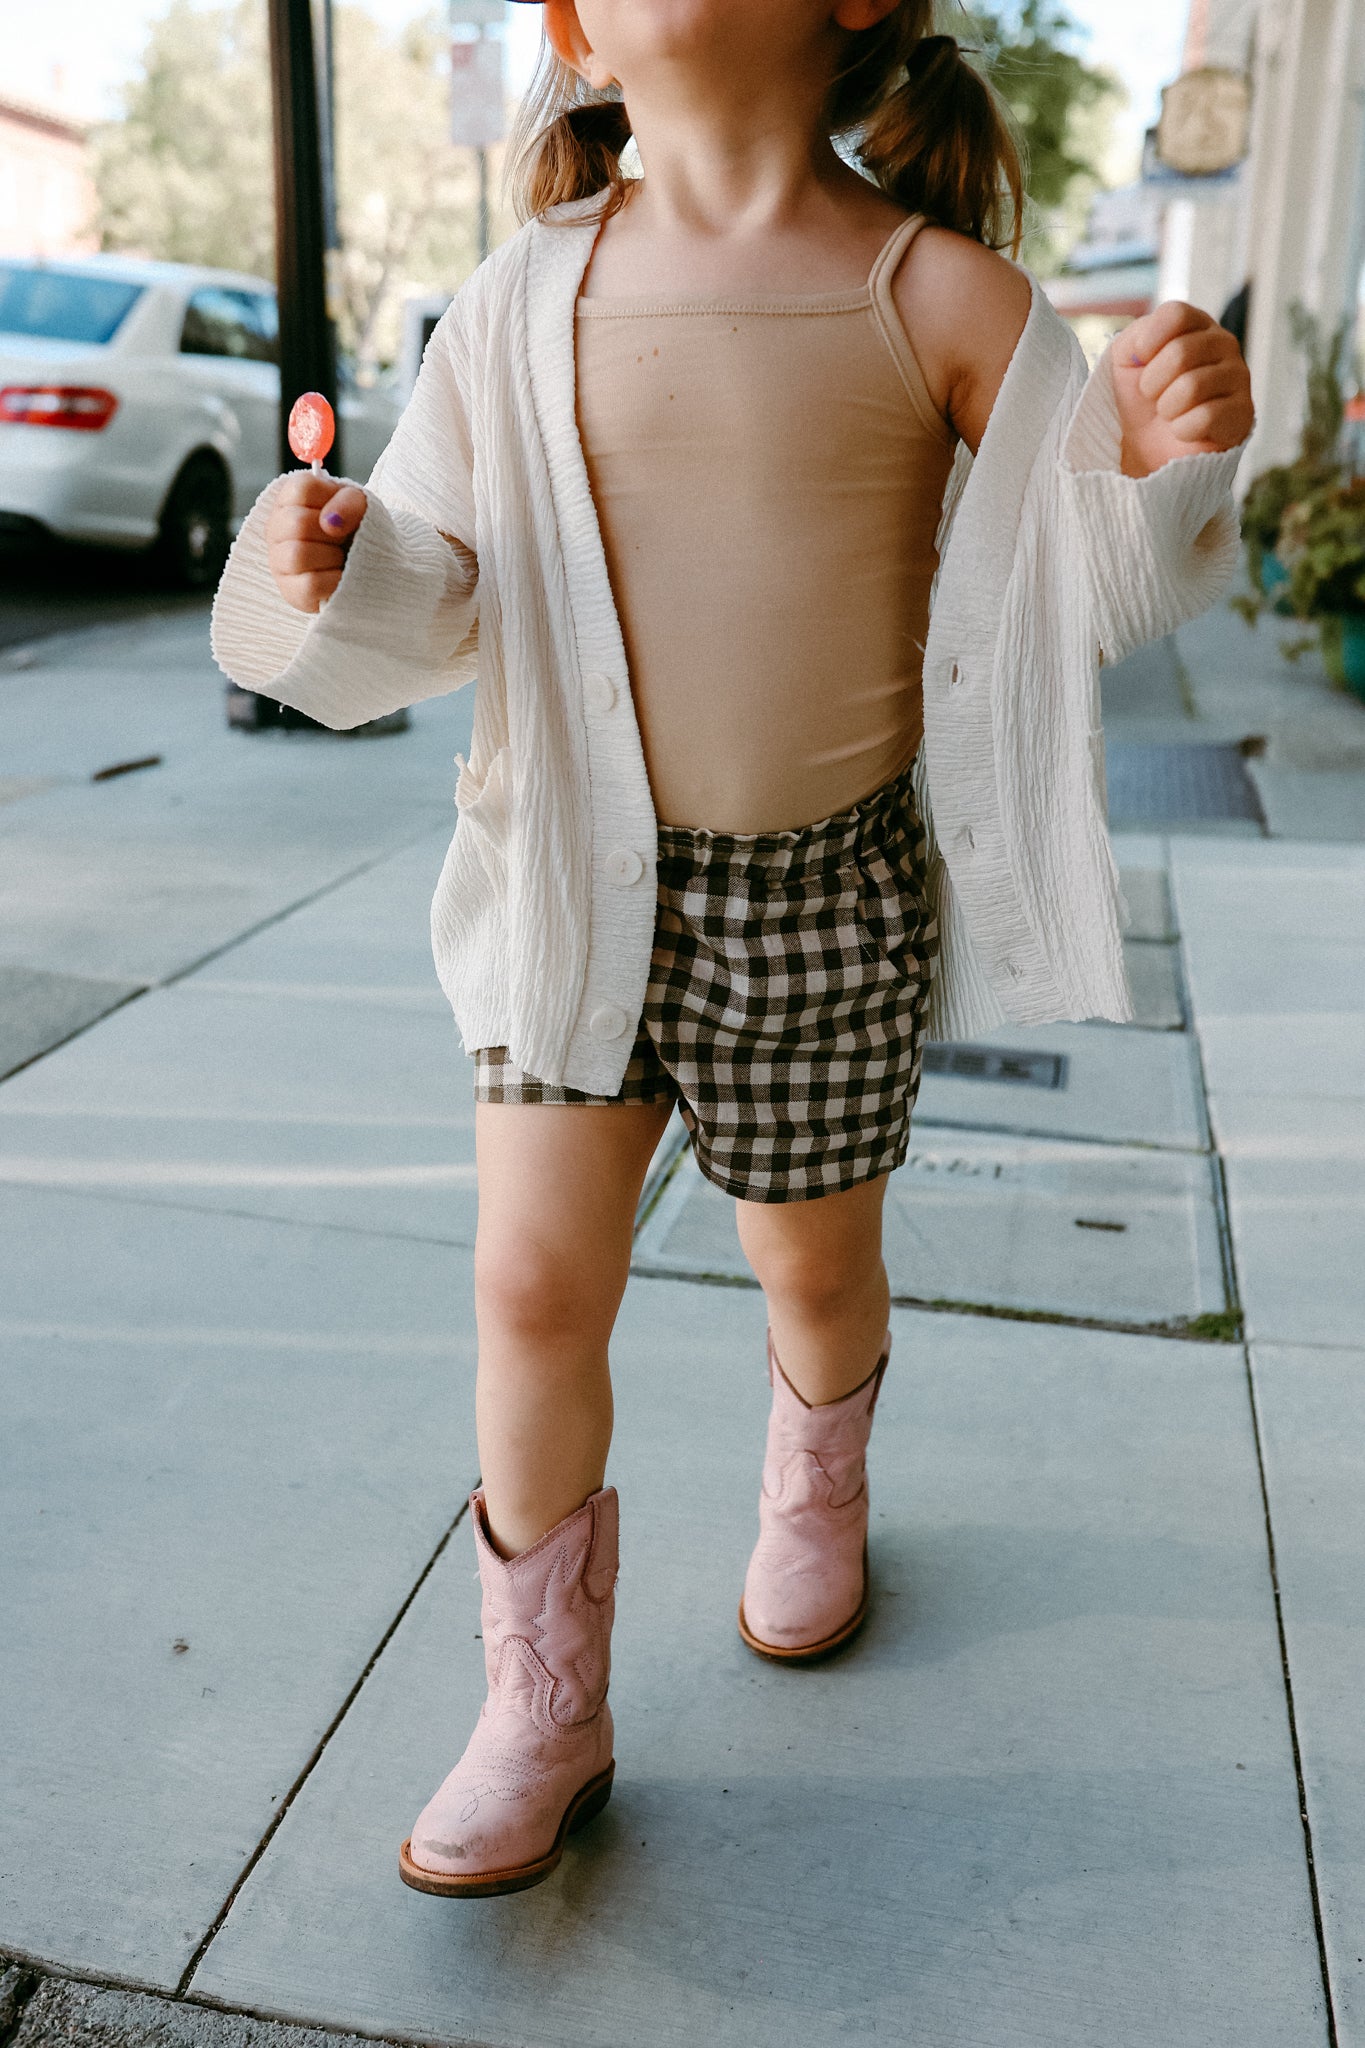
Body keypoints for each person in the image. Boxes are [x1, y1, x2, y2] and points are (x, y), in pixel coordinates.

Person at [210, 0, 1255, 1901]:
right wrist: (334, 559)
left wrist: (1159, 460)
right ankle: (541, 1701)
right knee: (530, 1289)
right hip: (572, 886)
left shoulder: (937, 292)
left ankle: (819, 1462)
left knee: (815, 1272)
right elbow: (436, 588)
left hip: (825, 904)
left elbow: (1076, 581)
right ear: (576, 33)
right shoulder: (512, 304)